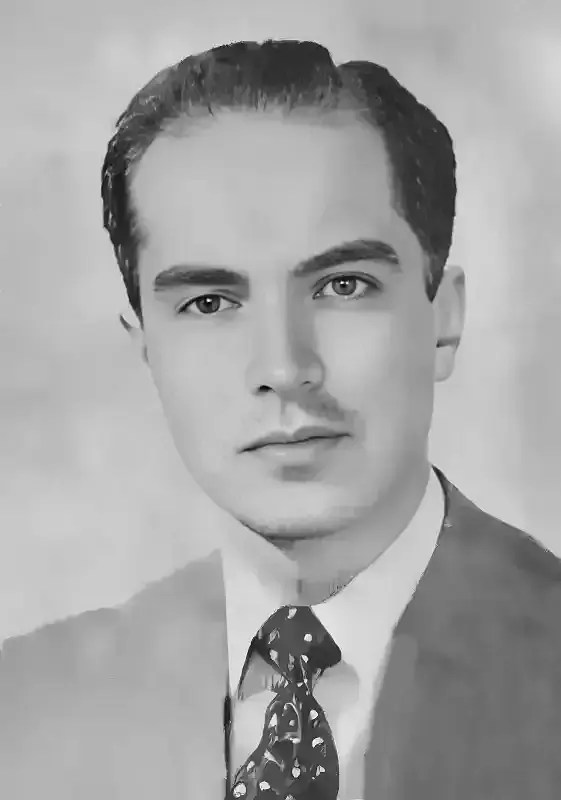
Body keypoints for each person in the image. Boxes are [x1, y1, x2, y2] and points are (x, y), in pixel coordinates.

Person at [1, 38, 560, 800]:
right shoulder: (26, 710)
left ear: (443, 319)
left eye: (342, 286)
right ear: (146, 348)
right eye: (209, 302)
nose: (283, 365)